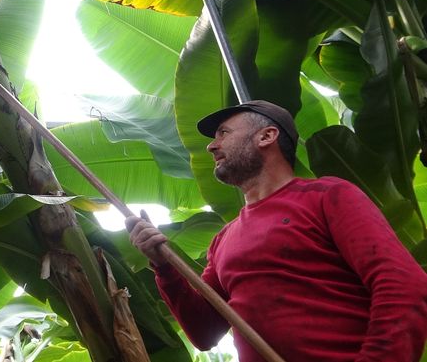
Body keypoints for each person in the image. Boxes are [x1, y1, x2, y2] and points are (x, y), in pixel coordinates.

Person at [126, 100, 427, 362]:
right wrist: (163, 266)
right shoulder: (223, 240)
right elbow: (205, 333)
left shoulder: (327, 196)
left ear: (267, 136)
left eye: (224, 133)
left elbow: (402, 284)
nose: (211, 145)